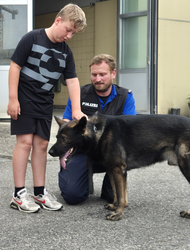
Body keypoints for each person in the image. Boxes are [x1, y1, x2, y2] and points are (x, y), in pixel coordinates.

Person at [7, 3, 87, 213]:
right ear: (58, 20)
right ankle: (18, 194)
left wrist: (77, 109)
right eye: (68, 30)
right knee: (24, 144)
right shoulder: (32, 38)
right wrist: (13, 99)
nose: (69, 36)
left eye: (73, 33)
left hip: (44, 102)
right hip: (24, 100)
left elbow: (72, 80)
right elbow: (15, 66)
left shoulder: (66, 52)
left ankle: (40, 193)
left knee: (41, 145)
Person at [58, 54, 136, 205]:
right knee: (74, 197)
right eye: (94, 75)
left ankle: (110, 182)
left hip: (111, 154)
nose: (98, 79)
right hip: (82, 152)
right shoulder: (79, 94)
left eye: (102, 74)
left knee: (112, 198)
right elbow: (65, 124)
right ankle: (67, 172)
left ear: (113, 74)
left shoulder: (125, 97)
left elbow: (130, 131)